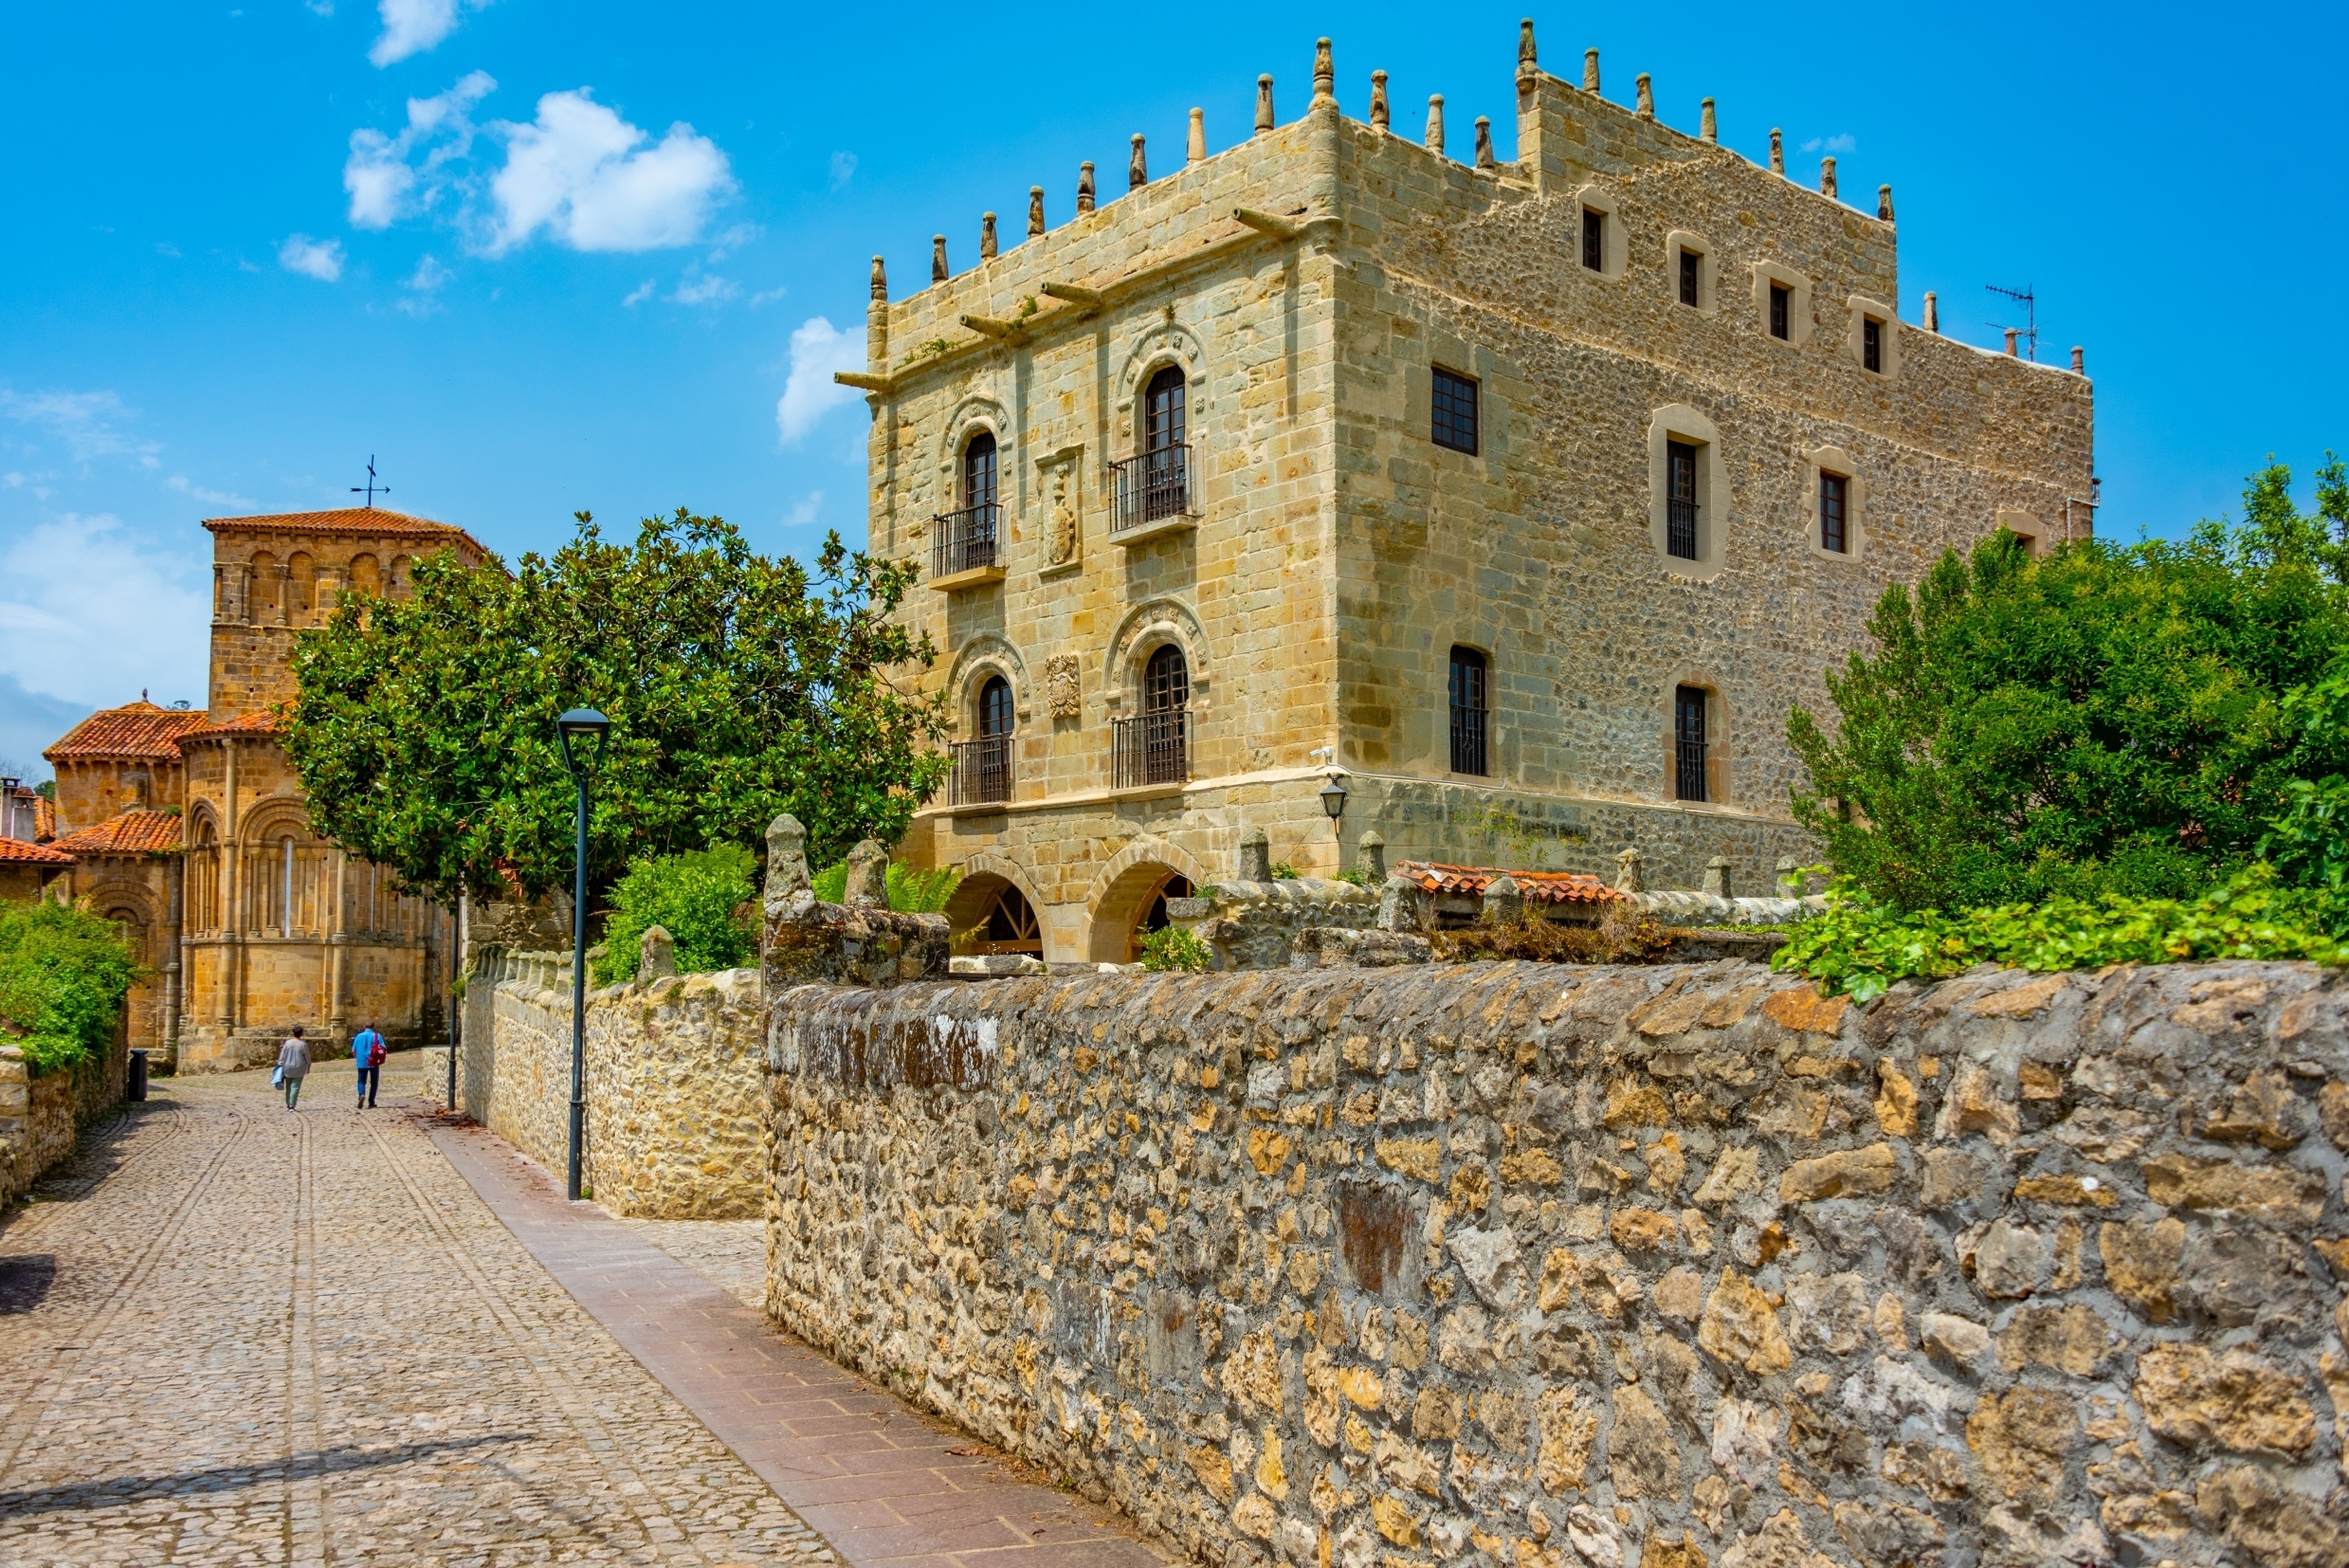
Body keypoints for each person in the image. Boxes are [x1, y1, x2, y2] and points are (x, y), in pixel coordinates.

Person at [352, 1020, 387, 1108]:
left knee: (361, 1080)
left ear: (364, 1027)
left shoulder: (358, 1036)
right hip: (373, 1061)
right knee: (374, 1082)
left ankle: (361, 1095)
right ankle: (371, 1102)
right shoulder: (377, 1036)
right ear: (373, 1027)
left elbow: (353, 1050)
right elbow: (383, 1048)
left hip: (361, 1062)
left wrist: (357, 1058)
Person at [276, 1027, 312, 1109]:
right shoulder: (303, 1045)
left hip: (287, 1067)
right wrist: (308, 1067)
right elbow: (307, 1057)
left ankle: (288, 1103)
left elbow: (282, 1055)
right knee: (295, 1087)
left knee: (288, 1086)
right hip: (299, 1068)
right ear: (301, 1034)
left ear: (293, 1033)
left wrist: (280, 1064)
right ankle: (292, 1104)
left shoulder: (287, 1043)